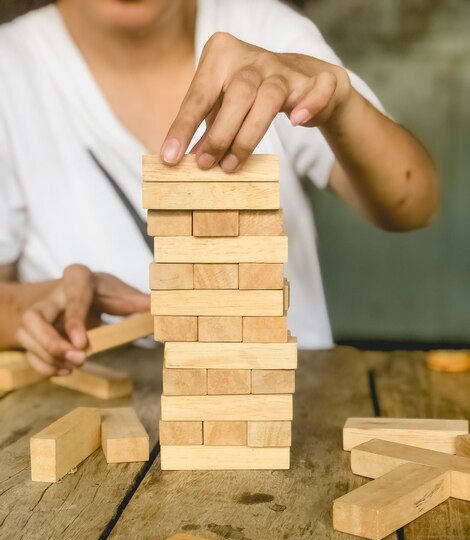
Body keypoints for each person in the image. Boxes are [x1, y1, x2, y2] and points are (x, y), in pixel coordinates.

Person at [0, 0, 438, 375]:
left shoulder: (261, 27)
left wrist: (337, 101)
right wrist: (32, 306)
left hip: (297, 398)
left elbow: (414, 203)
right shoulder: (12, 68)